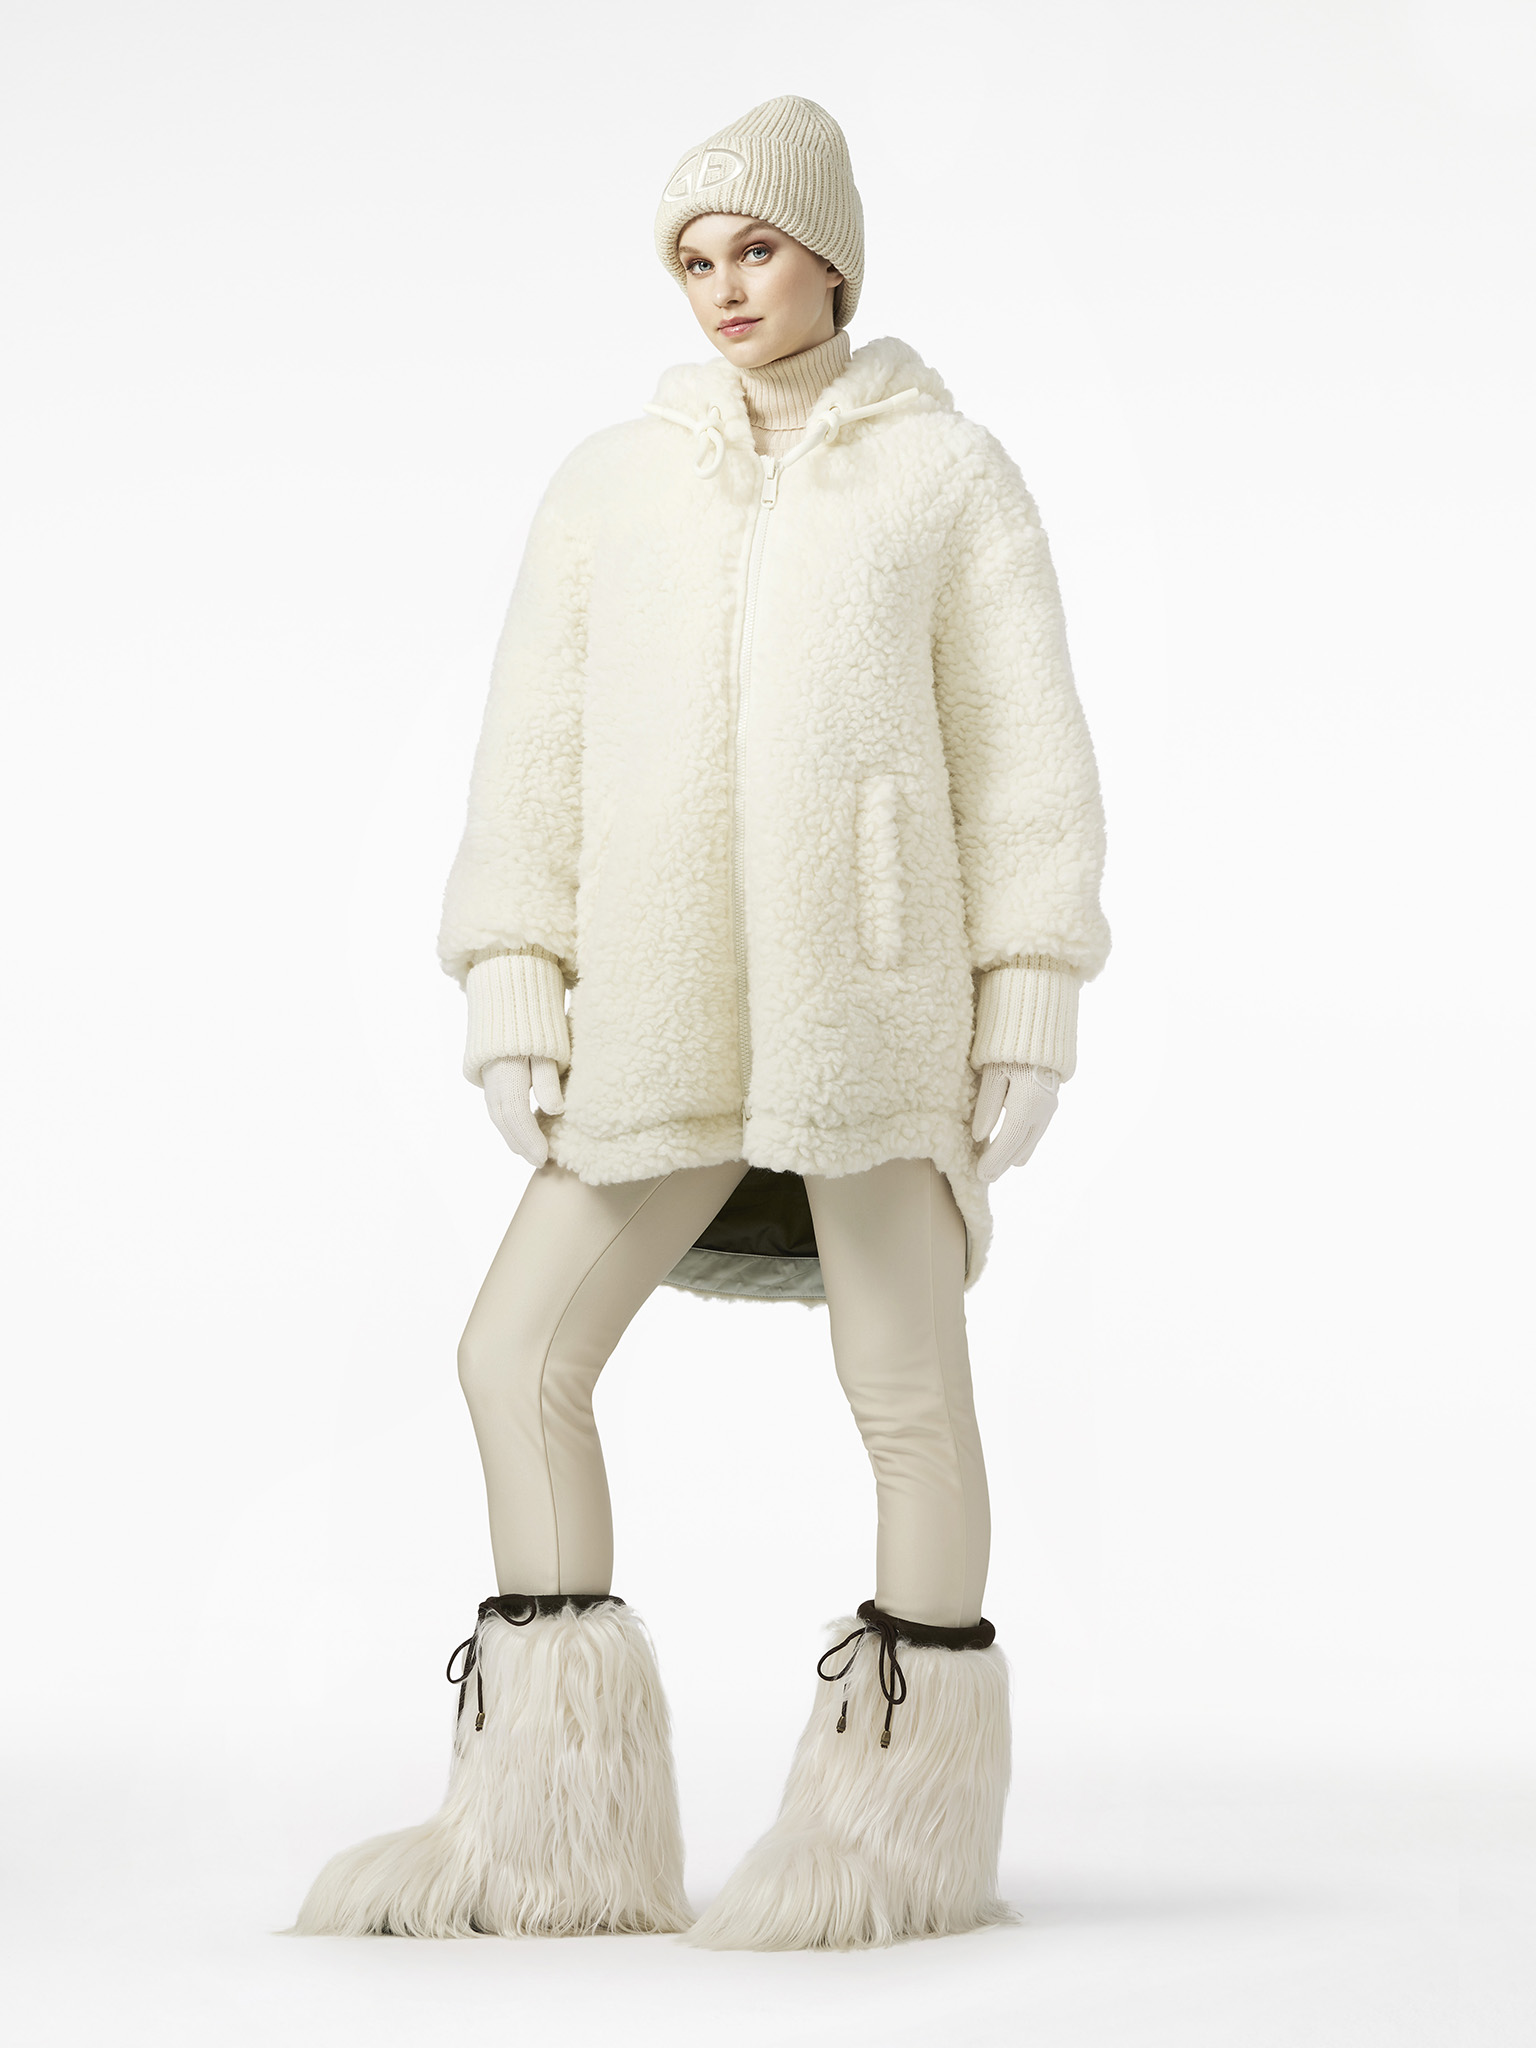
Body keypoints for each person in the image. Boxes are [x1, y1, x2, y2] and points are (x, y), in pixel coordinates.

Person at [296, 93, 1109, 1951]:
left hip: (870, 1016)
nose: (724, 284)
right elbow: (533, 749)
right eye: (693, 256)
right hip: (660, 1014)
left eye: (756, 246)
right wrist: (516, 972)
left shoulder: (949, 477)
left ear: (833, 255)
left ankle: (896, 1838)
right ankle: (546, 1830)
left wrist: (1030, 996)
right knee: (516, 1353)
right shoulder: (609, 485)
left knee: (907, 1394)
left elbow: (1025, 756)